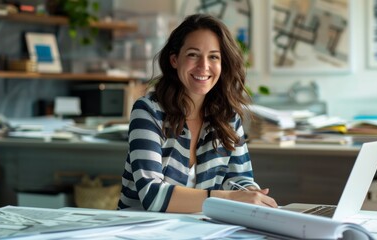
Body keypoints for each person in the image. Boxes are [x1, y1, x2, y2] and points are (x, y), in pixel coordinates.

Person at [118, 13, 277, 213]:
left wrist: (252, 195)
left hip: (199, 229)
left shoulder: (227, 116)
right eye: (193, 54)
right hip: (140, 229)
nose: (204, 66)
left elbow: (238, 179)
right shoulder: (148, 111)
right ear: (175, 60)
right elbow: (153, 196)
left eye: (213, 56)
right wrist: (231, 198)